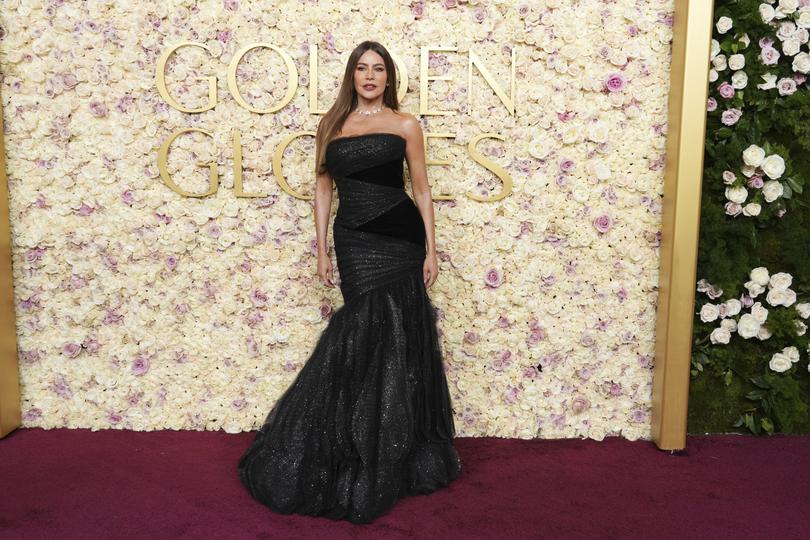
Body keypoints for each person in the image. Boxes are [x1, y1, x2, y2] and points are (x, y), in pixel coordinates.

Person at [237, 40, 462, 524]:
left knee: (397, 339)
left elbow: (420, 188)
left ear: (389, 78)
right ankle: (353, 443)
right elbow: (323, 188)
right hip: (355, 241)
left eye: (378, 69)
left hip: (401, 241)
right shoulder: (331, 126)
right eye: (362, 68)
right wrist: (320, 248)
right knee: (361, 338)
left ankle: (397, 451)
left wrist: (432, 249)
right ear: (351, 75)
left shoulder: (405, 125)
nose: (370, 76)